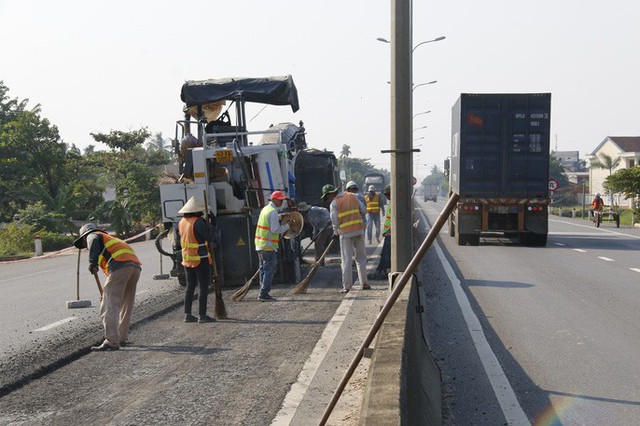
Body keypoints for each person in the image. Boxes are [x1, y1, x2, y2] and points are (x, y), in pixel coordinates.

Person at [73, 223, 142, 351]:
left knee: (109, 304)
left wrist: (92, 263)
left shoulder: (93, 235)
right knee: (126, 305)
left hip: (120, 267)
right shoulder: (109, 240)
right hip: (135, 268)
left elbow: (92, 240)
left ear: (84, 237)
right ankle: (121, 337)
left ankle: (111, 340)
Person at [322, 183, 371, 293]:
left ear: (331, 194)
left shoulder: (334, 203)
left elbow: (335, 221)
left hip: (346, 233)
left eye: (327, 197)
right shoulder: (352, 196)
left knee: (346, 260)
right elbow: (364, 210)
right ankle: (364, 283)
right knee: (361, 258)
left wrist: (335, 232)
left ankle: (347, 287)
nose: (328, 199)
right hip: (359, 230)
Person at [177, 196, 215, 323]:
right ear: (196, 211)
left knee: (190, 287)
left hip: (187, 260)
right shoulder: (198, 222)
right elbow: (209, 237)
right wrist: (212, 224)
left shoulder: (182, 222)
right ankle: (202, 315)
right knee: (203, 287)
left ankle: (187, 314)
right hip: (200, 259)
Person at [255, 191, 292, 301]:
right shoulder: (273, 212)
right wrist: (288, 226)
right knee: (269, 270)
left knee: (263, 269)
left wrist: (281, 216)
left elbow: (270, 221)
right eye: (280, 200)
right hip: (268, 245)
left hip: (260, 245)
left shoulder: (265, 209)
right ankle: (264, 294)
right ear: (274, 200)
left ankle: (262, 292)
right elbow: (276, 229)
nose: (282, 202)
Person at [297, 202, 333, 266]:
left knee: (319, 243)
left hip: (327, 226)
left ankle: (320, 261)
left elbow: (325, 210)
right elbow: (315, 226)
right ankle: (318, 260)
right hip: (321, 228)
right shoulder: (307, 216)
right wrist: (314, 236)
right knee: (317, 242)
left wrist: (328, 219)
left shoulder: (313, 209)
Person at [369, 185, 391, 280]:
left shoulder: (394, 203)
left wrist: (389, 231)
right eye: (385, 195)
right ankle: (380, 271)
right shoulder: (392, 203)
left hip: (390, 233)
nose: (387, 196)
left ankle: (382, 272)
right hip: (388, 233)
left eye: (387, 194)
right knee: (384, 253)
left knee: (385, 254)